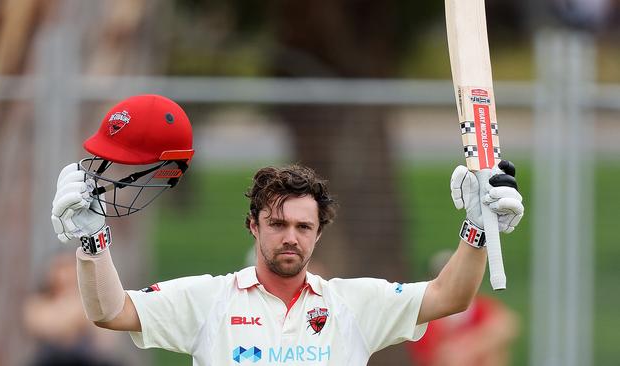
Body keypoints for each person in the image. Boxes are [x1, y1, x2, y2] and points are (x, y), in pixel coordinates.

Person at [50, 95, 524, 365]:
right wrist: (93, 241)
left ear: (319, 234)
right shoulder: (209, 300)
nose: (290, 236)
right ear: (253, 227)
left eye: (303, 226)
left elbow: (450, 296)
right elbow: (110, 310)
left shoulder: (351, 305)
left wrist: (477, 228)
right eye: (277, 223)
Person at [406, 250, 519, 366]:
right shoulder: (426, 316)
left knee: (494, 353)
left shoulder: (478, 305)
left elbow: (507, 325)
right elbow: (432, 356)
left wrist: (469, 345)